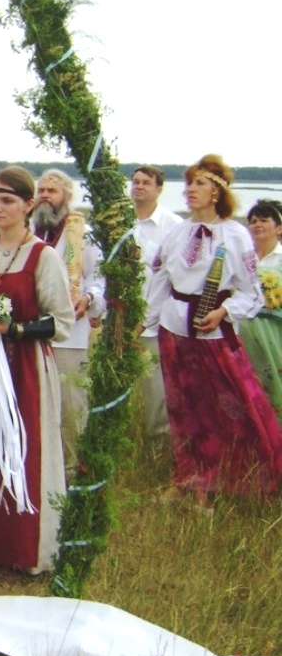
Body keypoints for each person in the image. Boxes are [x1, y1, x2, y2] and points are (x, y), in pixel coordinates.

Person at [144, 155, 282, 511]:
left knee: (219, 410)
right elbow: (161, 281)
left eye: (200, 183)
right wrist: (145, 321)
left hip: (212, 333)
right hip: (174, 329)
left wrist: (224, 312)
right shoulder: (177, 232)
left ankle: (223, 481)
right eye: (188, 183)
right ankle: (186, 480)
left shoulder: (235, 234)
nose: (190, 190)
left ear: (217, 192)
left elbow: (252, 292)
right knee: (182, 408)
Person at [0, 166, 74, 576]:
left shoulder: (44, 256)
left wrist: (16, 329)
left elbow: (62, 321)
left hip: (24, 371)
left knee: (24, 451)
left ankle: (25, 548)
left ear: (28, 205)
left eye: (7, 200)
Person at [32, 169, 105, 470]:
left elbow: (98, 277)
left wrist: (88, 299)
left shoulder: (82, 234)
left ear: (67, 197)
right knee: (37, 405)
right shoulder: (29, 231)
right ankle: (44, 470)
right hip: (31, 332)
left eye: (52, 191)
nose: (45, 196)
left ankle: (76, 470)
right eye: (41, 190)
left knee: (72, 405)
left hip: (69, 335)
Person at [130, 165, 183, 450]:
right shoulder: (120, 222)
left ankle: (158, 451)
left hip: (156, 325)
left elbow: (174, 278)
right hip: (119, 319)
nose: (138, 186)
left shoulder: (173, 226)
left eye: (146, 182)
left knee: (156, 392)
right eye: (135, 181)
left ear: (159, 189)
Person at [240, 200, 282, 425]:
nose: (257, 225)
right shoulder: (244, 258)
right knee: (248, 382)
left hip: (275, 331)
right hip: (245, 331)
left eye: (264, 220)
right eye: (253, 221)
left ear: (279, 228)